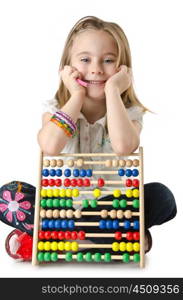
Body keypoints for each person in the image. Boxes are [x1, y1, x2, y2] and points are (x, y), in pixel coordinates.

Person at [1, 16, 177, 260]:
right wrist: (76, 96)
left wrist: (113, 90)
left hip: (109, 211)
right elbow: (51, 145)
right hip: (58, 211)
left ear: (123, 69)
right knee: (8, 195)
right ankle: (106, 241)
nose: (95, 69)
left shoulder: (130, 114)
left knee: (163, 197)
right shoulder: (55, 110)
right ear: (67, 68)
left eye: (108, 60)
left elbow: (124, 146)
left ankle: (54, 241)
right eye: (85, 60)